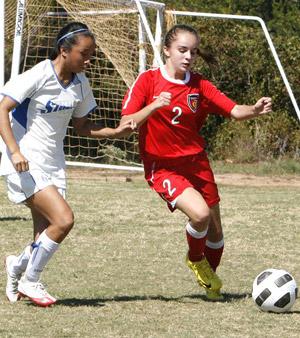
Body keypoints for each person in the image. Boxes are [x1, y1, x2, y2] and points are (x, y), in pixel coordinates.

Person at [120, 24, 272, 300]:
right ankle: (194, 258)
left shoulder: (199, 84)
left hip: (197, 163)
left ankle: (208, 281)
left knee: (216, 234)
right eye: (182, 50)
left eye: (193, 51)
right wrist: (154, 105)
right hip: (163, 165)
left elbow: (235, 111)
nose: (188, 56)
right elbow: (127, 123)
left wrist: (255, 109)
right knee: (200, 214)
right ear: (166, 50)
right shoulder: (148, 81)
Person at [0, 22, 136, 307]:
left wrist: (115, 132)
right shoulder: (39, 75)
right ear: (64, 50)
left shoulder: (80, 83)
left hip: (54, 164)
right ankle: (30, 280)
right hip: (25, 161)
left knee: (44, 234)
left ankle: (16, 267)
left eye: (91, 55)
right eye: (84, 54)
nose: (88, 61)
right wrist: (14, 152)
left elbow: (83, 126)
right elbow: (2, 108)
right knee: (64, 220)